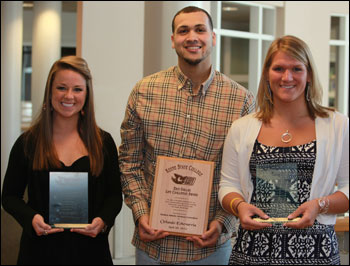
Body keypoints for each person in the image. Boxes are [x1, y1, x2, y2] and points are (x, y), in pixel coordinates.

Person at [119, 6, 255, 265]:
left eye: (200, 29)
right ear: (173, 40)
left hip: (210, 249)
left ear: (213, 37)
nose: (192, 37)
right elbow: (129, 163)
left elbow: (245, 174)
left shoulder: (241, 101)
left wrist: (223, 222)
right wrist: (140, 213)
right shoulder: (144, 91)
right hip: (152, 246)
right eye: (184, 31)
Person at [219, 35, 349, 265]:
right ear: (267, 75)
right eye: (278, 68)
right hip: (252, 252)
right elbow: (228, 186)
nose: (287, 77)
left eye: (296, 69)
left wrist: (319, 206)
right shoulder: (242, 128)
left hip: (316, 254)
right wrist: (239, 206)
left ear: (308, 75)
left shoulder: (338, 125)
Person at [2, 56, 123, 265]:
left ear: (87, 94)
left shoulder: (103, 142)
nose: (69, 96)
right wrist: (31, 219)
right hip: (40, 252)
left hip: (90, 252)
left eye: (77, 89)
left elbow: (114, 196)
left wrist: (102, 221)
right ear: (50, 92)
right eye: (61, 88)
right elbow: (9, 197)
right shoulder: (28, 142)